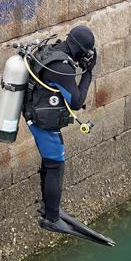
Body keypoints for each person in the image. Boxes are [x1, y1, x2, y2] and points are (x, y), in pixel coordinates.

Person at [23, 25, 97, 234]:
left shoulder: (54, 50)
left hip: (34, 111)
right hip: (41, 120)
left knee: (50, 160)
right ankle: (52, 219)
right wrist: (88, 73)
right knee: (56, 163)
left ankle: (49, 207)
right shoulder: (62, 68)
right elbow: (76, 101)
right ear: (81, 49)